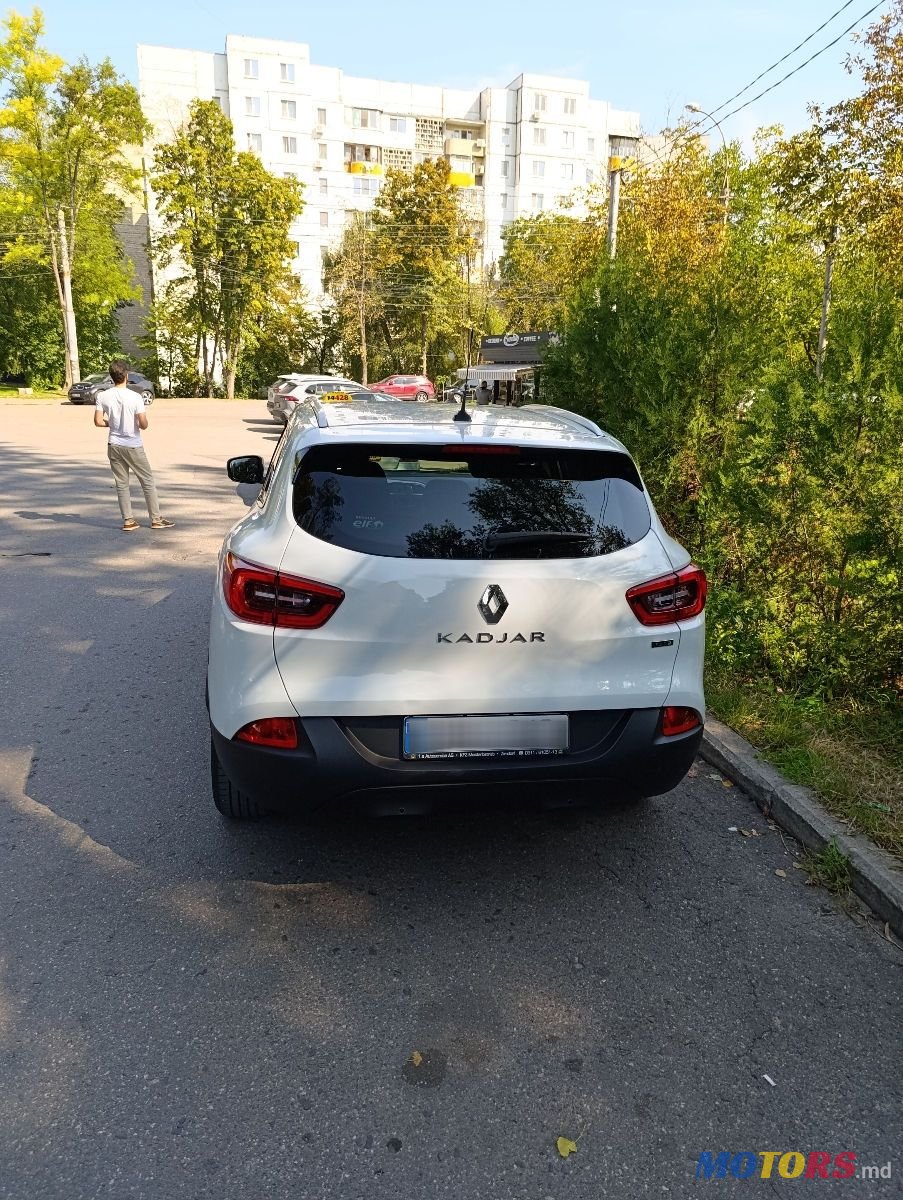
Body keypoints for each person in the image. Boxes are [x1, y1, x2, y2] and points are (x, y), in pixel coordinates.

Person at [94, 361, 174, 532]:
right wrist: (140, 423)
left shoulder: (103, 396)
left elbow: (98, 421)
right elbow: (143, 424)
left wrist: (112, 423)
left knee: (121, 483)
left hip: (114, 444)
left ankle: (128, 520)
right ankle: (156, 518)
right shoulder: (135, 397)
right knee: (147, 481)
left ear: (112, 377)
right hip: (133, 444)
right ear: (127, 376)